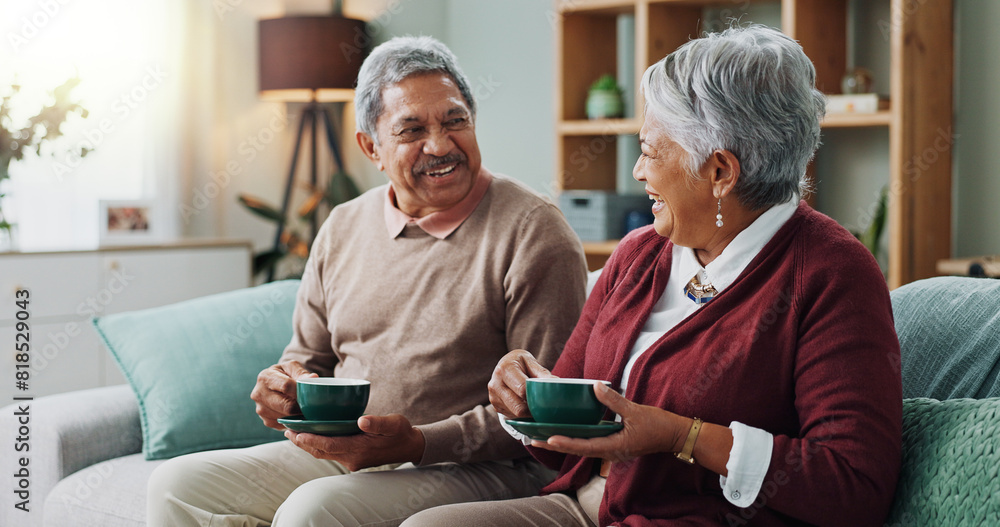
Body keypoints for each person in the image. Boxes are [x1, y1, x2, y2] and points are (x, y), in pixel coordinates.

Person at [401, 25, 902, 527]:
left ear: (721, 172)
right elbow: (560, 446)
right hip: (582, 507)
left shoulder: (832, 272)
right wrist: (527, 392)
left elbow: (854, 486)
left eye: (650, 150)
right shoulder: (639, 254)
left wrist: (682, 436)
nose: (638, 171)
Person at [146, 35, 588, 526]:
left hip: (483, 467)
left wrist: (418, 443)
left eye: (454, 120)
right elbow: (307, 359)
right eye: (412, 129)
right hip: (350, 450)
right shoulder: (341, 226)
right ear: (371, 148)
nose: (440, 145)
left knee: (314, 511)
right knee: (177, 486)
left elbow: (546, 417)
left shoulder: (534, 230)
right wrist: (284, 387)